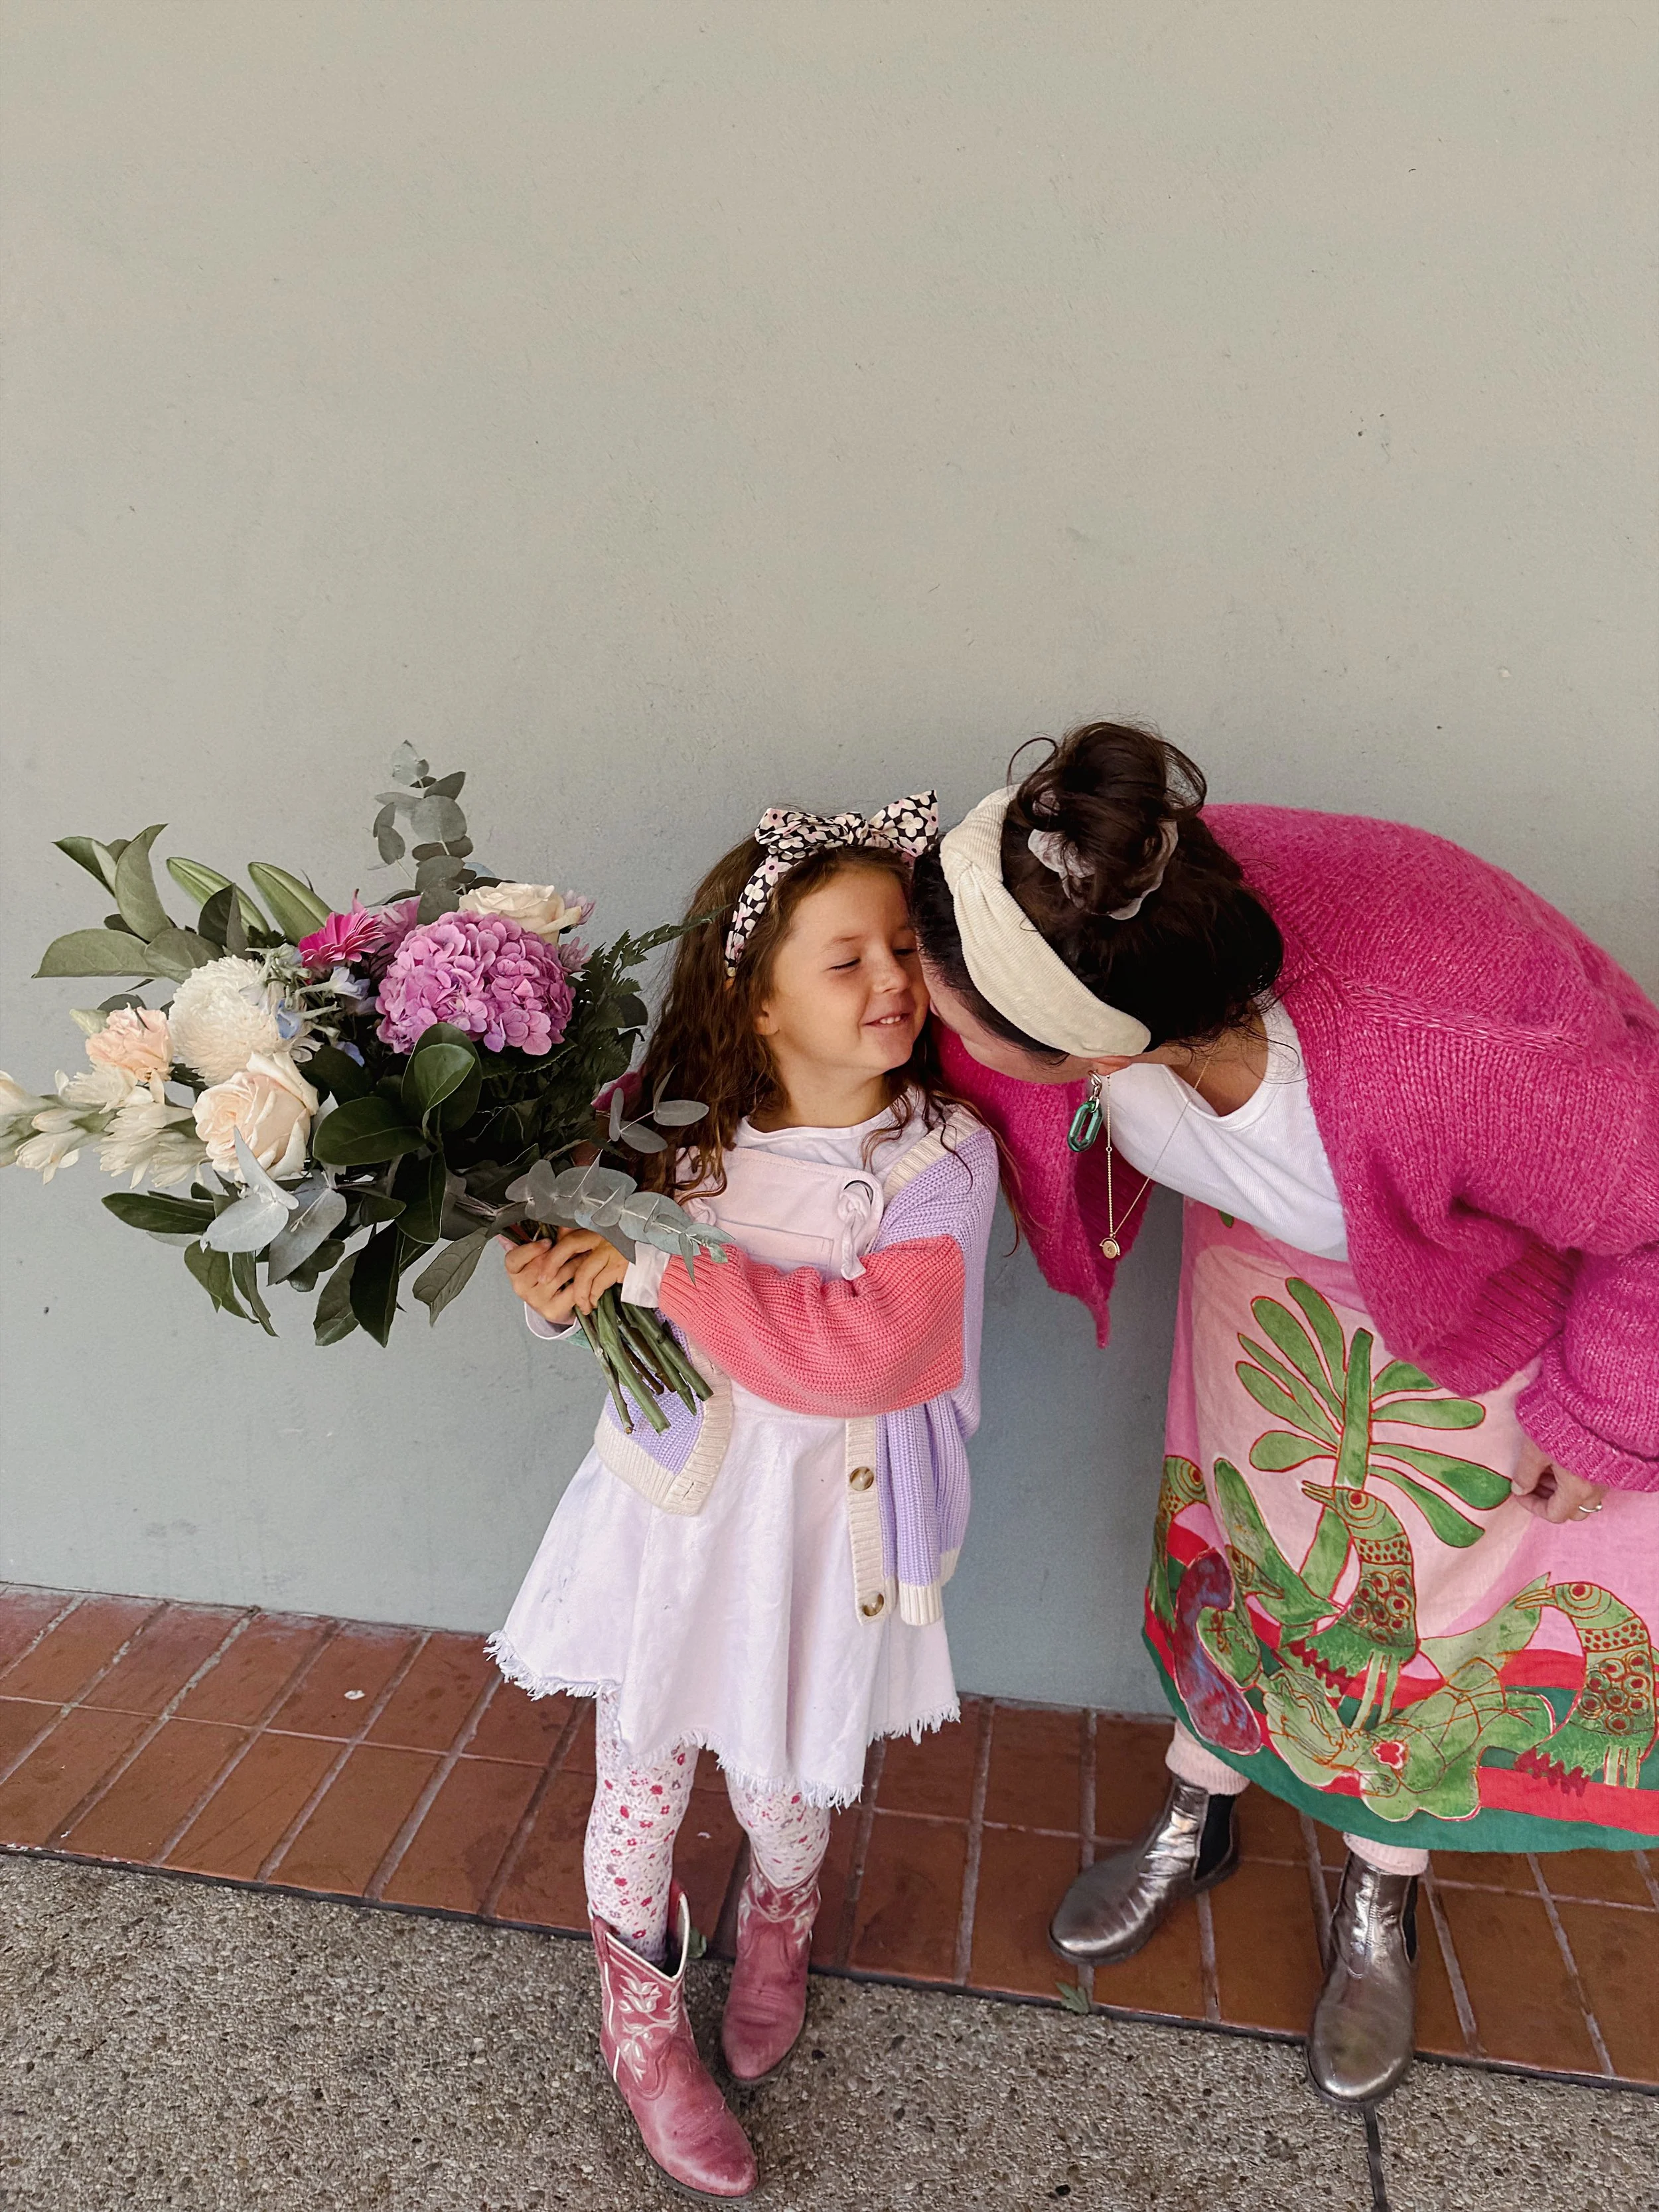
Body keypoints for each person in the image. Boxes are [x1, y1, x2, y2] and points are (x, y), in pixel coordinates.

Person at [910, 721, 1658, 2106]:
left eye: (950, 1013)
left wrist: (1604, 1410)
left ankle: (1382, 1886)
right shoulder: (1086, 893)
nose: (926, 1021)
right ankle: (1197, 1811)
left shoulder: (1452, 1048)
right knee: (1245, 1566)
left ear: (1088, 1039)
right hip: (1254, 1291)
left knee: (1403, 1626)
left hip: (1456, 1318)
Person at [492, 795, 997, 2198]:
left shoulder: (942, 1162)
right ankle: (642, 2029)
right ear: (757, 1002)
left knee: (781, 1780)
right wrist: (555, 1292)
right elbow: (579, 1294)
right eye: (846, 958)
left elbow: (865, 1352)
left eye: (902, 947)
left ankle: (780, 1911)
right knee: (638, 1781)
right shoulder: (664, 1135)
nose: (892, 978)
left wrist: (656, 1266)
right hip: (668, 1519)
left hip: (819, 1533)